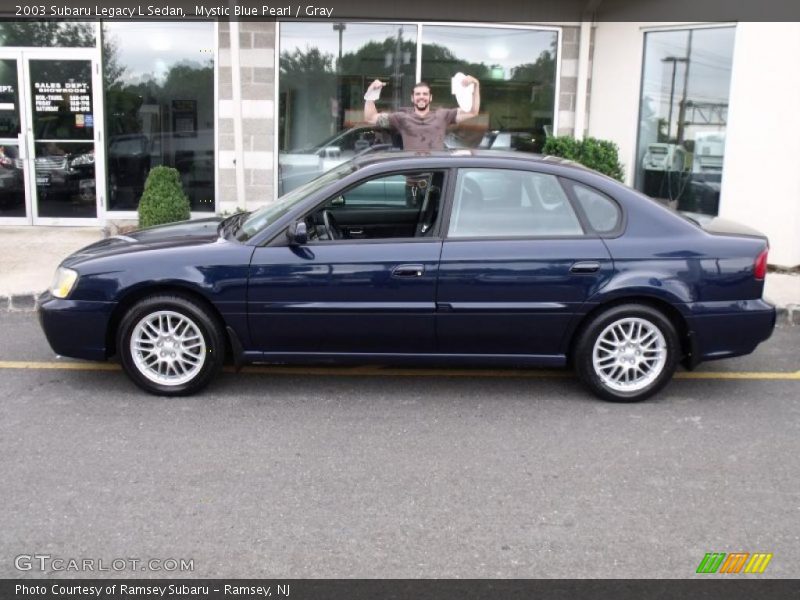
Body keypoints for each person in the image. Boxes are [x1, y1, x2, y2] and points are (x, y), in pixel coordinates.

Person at [363, 77, 480, 151]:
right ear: (412, 98)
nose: (421, 97)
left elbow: (472, 111)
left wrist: (475, 84)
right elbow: (371, 118)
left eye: (425, 94)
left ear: (430, 98)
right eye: (418, 94)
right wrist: (371, 93)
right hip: (413, 183)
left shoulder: (443, 115)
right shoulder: (401, 118)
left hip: (438, 180)